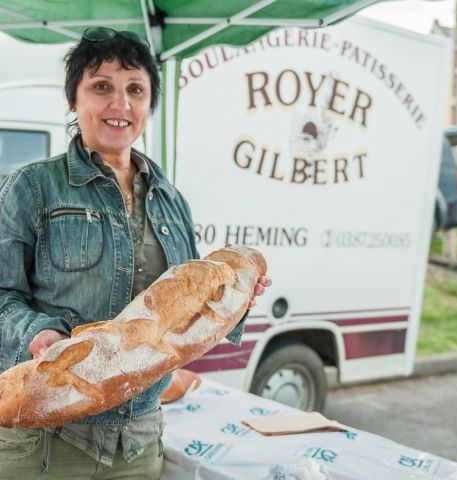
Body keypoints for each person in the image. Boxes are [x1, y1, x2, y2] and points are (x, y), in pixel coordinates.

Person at [0, 27, 271, 480]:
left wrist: (236, 301)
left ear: (148, 105)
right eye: (101, 87)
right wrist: (41, 333)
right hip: (49, 441)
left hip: (139, 440)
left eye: (136, 90)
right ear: (74, 100)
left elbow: (185, 305)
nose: (120, 104)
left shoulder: (171, 199)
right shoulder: (31, 187)